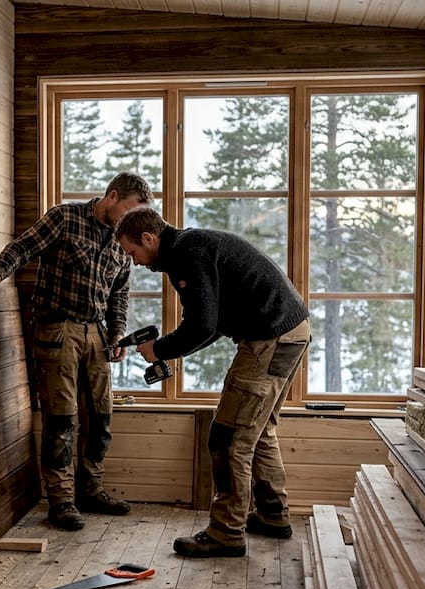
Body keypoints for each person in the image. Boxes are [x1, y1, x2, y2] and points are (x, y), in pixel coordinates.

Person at [113, 207, 311, 558]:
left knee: (228, 437)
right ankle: (273, 515)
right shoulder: (192, 246)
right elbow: (214, 324)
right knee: (258, 429)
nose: (136, 262)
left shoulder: (187, 255)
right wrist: (164, 352)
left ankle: (225, 532)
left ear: (148, 238)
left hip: (269, 336)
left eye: (133, 253)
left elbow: (202, 325)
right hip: (291, 330)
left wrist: (159, 348)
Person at [0, 172, 154, 531]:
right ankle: (61, 500)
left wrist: (117, 333)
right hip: (57, 330)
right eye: (129, 211)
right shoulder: (65, 218)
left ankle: (91, 489)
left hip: (98, 334)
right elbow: (23, 246)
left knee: (100, 419)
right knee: (61, 419)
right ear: (113, 195)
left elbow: (119, 293)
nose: (130, 220)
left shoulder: (123, 241)